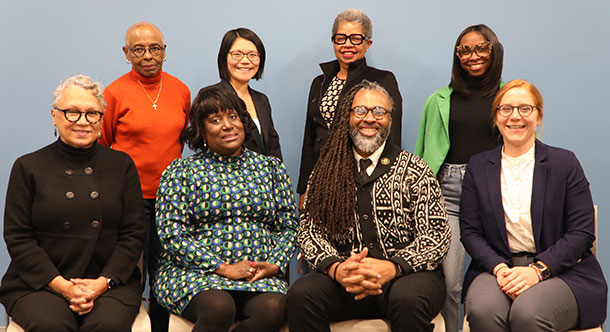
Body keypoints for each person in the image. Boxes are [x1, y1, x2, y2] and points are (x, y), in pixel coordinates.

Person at [288, 80, 450, 332]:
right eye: (361, 111)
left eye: (379, 112)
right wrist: (336, 268)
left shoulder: (415, 169)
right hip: (345, 279)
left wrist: (393, 267)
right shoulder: (324, 171)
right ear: (348, 117)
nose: (369, 119)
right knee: (302, 294)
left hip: (406, 278)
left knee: (408, 299)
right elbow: (309, 232)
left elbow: (437, 236)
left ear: (390, 120)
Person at [0, 75, 146, 331]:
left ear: (101, 121)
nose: (83, 121)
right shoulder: (28, 166)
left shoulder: (121, 165)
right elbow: (18, 237)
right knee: (51, 325)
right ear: (54, 116)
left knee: (107, 325)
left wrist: (101, 283)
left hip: (109, 281)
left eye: (92, 114)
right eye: (72, 112)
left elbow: (133, 234)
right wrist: (64, 287)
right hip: (41, 282)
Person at [460, 79, 607, 331]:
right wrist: (499, 268)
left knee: (528, 313)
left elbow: (582, 232)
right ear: (496, 117)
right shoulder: (478, 167)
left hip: (562, 271)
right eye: (506, 109)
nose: (515, 116)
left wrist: (537, 271)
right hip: (498, 269)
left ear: (538, 117)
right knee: (483, 310)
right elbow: (471, 231)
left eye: (525, 109)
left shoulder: (565, 163)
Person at [153, 88, 297, 332]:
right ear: (202, 131)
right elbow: (172, 233)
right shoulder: (181, 171)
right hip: (196, 274)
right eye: (215, 120)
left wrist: (273, 264)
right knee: (219, 307)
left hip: (258, 276)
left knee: (275, 308)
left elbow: (288, 226)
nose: (228, 126)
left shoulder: (271, 168)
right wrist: (222, 268)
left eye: (233, 116)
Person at [99, 22, 191, 332]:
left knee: (164, 271)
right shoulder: (114, 93)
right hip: (130, 198)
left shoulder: (180, 90)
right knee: (130, 273)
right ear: (126, 54)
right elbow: (103, 146)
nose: (148, 55)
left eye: (155, 48)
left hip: (171, 199)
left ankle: (163, 328)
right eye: (139, 49)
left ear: (165, 51)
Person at [414, 24, 503, 332]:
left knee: (495, 281)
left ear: (494, 51)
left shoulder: (508, 97)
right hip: (446, 194)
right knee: (449, 285)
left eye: (481, 48)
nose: (473, 56)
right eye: (465, 50)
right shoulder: (438, 99)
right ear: (457, 55)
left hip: (493, 193)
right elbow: (422, 153)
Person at [297, 8, 403, 209]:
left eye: (355, 38)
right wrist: (304, 189)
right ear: (333, 42)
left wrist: (388, 182)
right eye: (341, 38)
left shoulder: (382, 80)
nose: (347, 44)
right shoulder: (319, 82)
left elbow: (392, 135)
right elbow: (309, 138)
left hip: (361, 177)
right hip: (320, 178)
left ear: (367, 43)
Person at [198, 27, 282, 160]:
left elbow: (273, 145)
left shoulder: (262, 100)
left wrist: (277, 174)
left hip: (263, 176)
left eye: (252, 55)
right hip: (225, 176)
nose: (245, 61)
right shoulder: (212, 95)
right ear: (224, 57)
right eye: (237, 54)